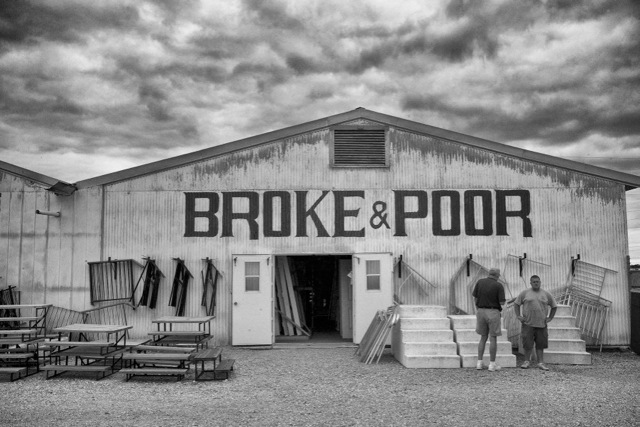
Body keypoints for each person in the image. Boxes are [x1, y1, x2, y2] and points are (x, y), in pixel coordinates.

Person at [514, 275, 557, 370]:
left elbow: (554, 306)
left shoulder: (546, 294)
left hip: (541, 324)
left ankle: (540, 363)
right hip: (528, 324)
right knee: (527, 344)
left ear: (540, 282)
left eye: (537, 281)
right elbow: (516, 304)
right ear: (530, 283)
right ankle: (526, 361)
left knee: (540, 344)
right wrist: (518, 316)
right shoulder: (525, 293)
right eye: (534, 282)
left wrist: (550, 318)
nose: (536, 283)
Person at [472, 268, 506, 372]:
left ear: (489, 274)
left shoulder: (480, 282)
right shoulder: (498, 285)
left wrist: (478, 308)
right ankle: (492, 364)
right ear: (497, 275)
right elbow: (502, 302)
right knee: (493, 337)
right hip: (493, 311)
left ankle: (479, 362)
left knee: (483, 337)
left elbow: (475, 298)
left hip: (480, 311)